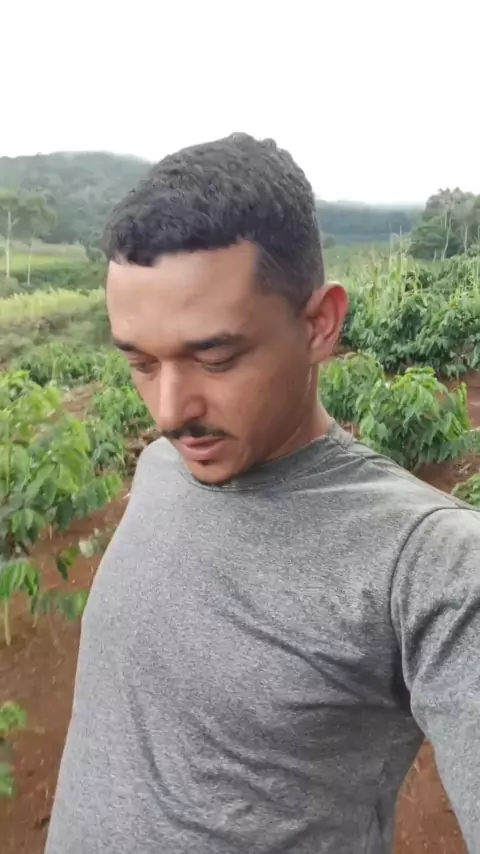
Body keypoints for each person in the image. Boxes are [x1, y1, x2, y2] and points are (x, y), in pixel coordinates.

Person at [45, 134, 480, 854]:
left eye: (215, 357)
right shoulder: (160, 468)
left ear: (319, 325)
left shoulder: (429, 564)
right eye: (141, 363)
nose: (169, 412)